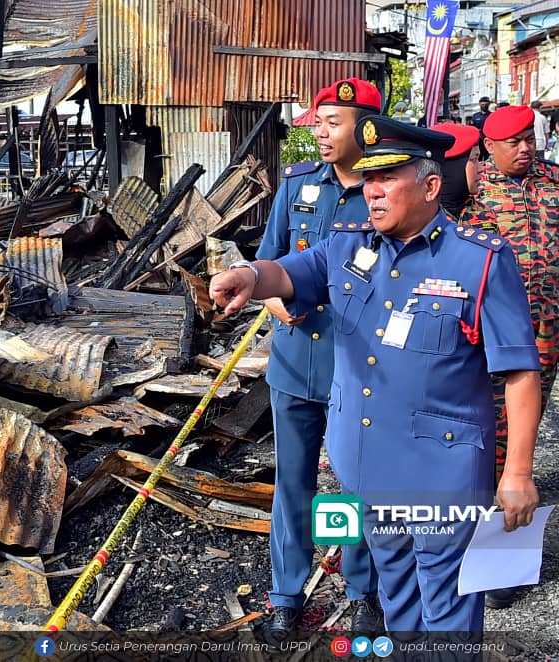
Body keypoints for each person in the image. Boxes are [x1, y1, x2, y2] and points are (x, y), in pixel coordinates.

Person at [210, 115, 541, 636]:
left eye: (388, 178)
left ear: (431, 186)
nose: (374, 191)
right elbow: (288, 273)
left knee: (449, 606)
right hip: (367, 469)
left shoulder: (478, 262)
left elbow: (521, 373)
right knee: (398, 597)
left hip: (442, 476)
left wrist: (517, 472)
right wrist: (250, 276)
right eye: (369, 179)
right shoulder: (348, 248)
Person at [256, 78, 381, 647]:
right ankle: (286, 594)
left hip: (360, 368)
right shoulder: (298, 184)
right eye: (318, 123)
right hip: (295, 359)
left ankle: (362, 591)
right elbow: (269, 260)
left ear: (367, 126)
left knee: (353, 485)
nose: (322, 133)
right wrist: (279, 301)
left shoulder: (388, 188)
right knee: (294, 484)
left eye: (334, 122)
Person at [458, 104, 559, 609]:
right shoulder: (475, 196)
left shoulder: (555, 182)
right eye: (512, 142)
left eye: (528, 139)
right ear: (490, 149)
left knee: (528, 443)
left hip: (552, 335)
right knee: (503, 450)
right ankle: (496, 562)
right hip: (502, 343)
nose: (524, 148)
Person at [432, 123, 481, 219]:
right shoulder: (420, 220)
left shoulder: (484, 213)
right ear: (452, 166)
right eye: (473, 159)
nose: (481, 169)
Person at [472, 96, 493, 160]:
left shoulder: (492, 115)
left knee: (488, 157)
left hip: (489, 139)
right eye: (483, 104)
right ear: (480, 104)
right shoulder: (475, 116)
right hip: (478, 140)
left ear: (489, 104)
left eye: (486, 104)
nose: (484, 106)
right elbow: (472, 127)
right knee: (478, 157)